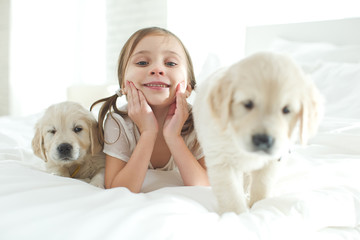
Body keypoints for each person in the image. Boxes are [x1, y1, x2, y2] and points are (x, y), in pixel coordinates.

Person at [91, 27, 209, 192]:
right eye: (142, 63)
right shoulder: (118, 122)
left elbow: (204, 186)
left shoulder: (200, 121)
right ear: (124, 85)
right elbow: (118, 189)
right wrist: (148, 133)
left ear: (188, 87)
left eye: (170, 63)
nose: (157, 69)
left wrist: (174, 137)